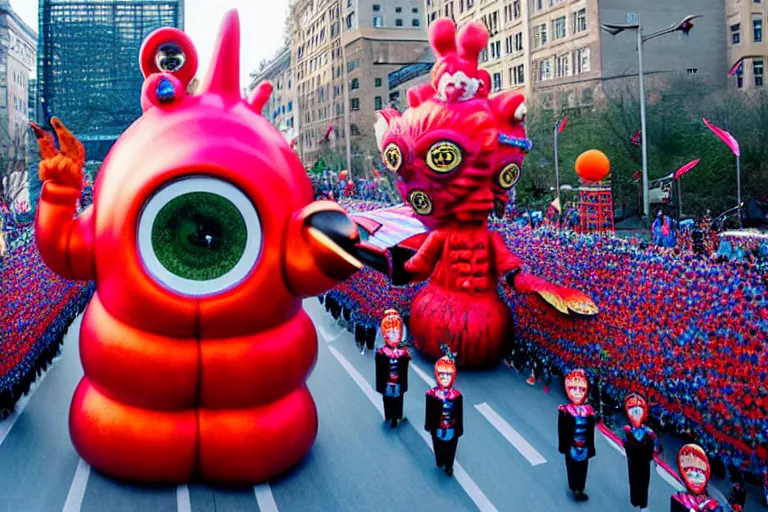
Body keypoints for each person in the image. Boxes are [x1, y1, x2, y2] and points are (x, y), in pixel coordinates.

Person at [558, 369, 596, 501]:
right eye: (574, 389)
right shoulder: (565, 411)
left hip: (584, 445)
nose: (577, 392)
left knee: (583, 468)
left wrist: (591, 447)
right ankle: (574, 488)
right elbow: (561, 430)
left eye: (580, 389)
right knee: (572, 467)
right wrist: (563, 446)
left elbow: (591, 432)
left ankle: (581, 488)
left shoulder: (589, 411)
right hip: (571, 444)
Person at [425, 346, 463, 477]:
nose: (445, 378)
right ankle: (440, 461)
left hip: (452, 428)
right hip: (437, 427)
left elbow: (459, 414)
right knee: (438, 447)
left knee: (451, 449)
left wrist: (459, 429)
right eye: (442, 375)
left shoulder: (457, 396)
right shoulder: (432, 394)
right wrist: (428, 425)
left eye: (448, 375)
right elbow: (429, 411)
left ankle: (449, 466)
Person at [622, 393, 660, 512]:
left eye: (639, 411)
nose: (636, 414)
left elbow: (657, 446)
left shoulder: (648, 431)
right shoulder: (628, 430)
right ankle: (635, 499)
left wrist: (654, 452)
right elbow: (624, 443)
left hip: (644, 461)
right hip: (633, 460)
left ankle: (643, 505)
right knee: (633, 480)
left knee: (644, 482)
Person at [375, 309, 411, 428]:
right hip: (387, 380)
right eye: (391, 334)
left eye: (396, 333)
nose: (394, 336)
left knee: (398, 398)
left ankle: (396, 417)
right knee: (387, 398)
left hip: (398, 380)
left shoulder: (402, 353)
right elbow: (379, 369)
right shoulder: (382, 353)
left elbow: (405, 365)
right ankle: (389, 415)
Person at [670, 444, 724, 511]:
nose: (695, 479)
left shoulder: (713, 504)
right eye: (690, 475)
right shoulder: (679, 498)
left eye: (699, 475)